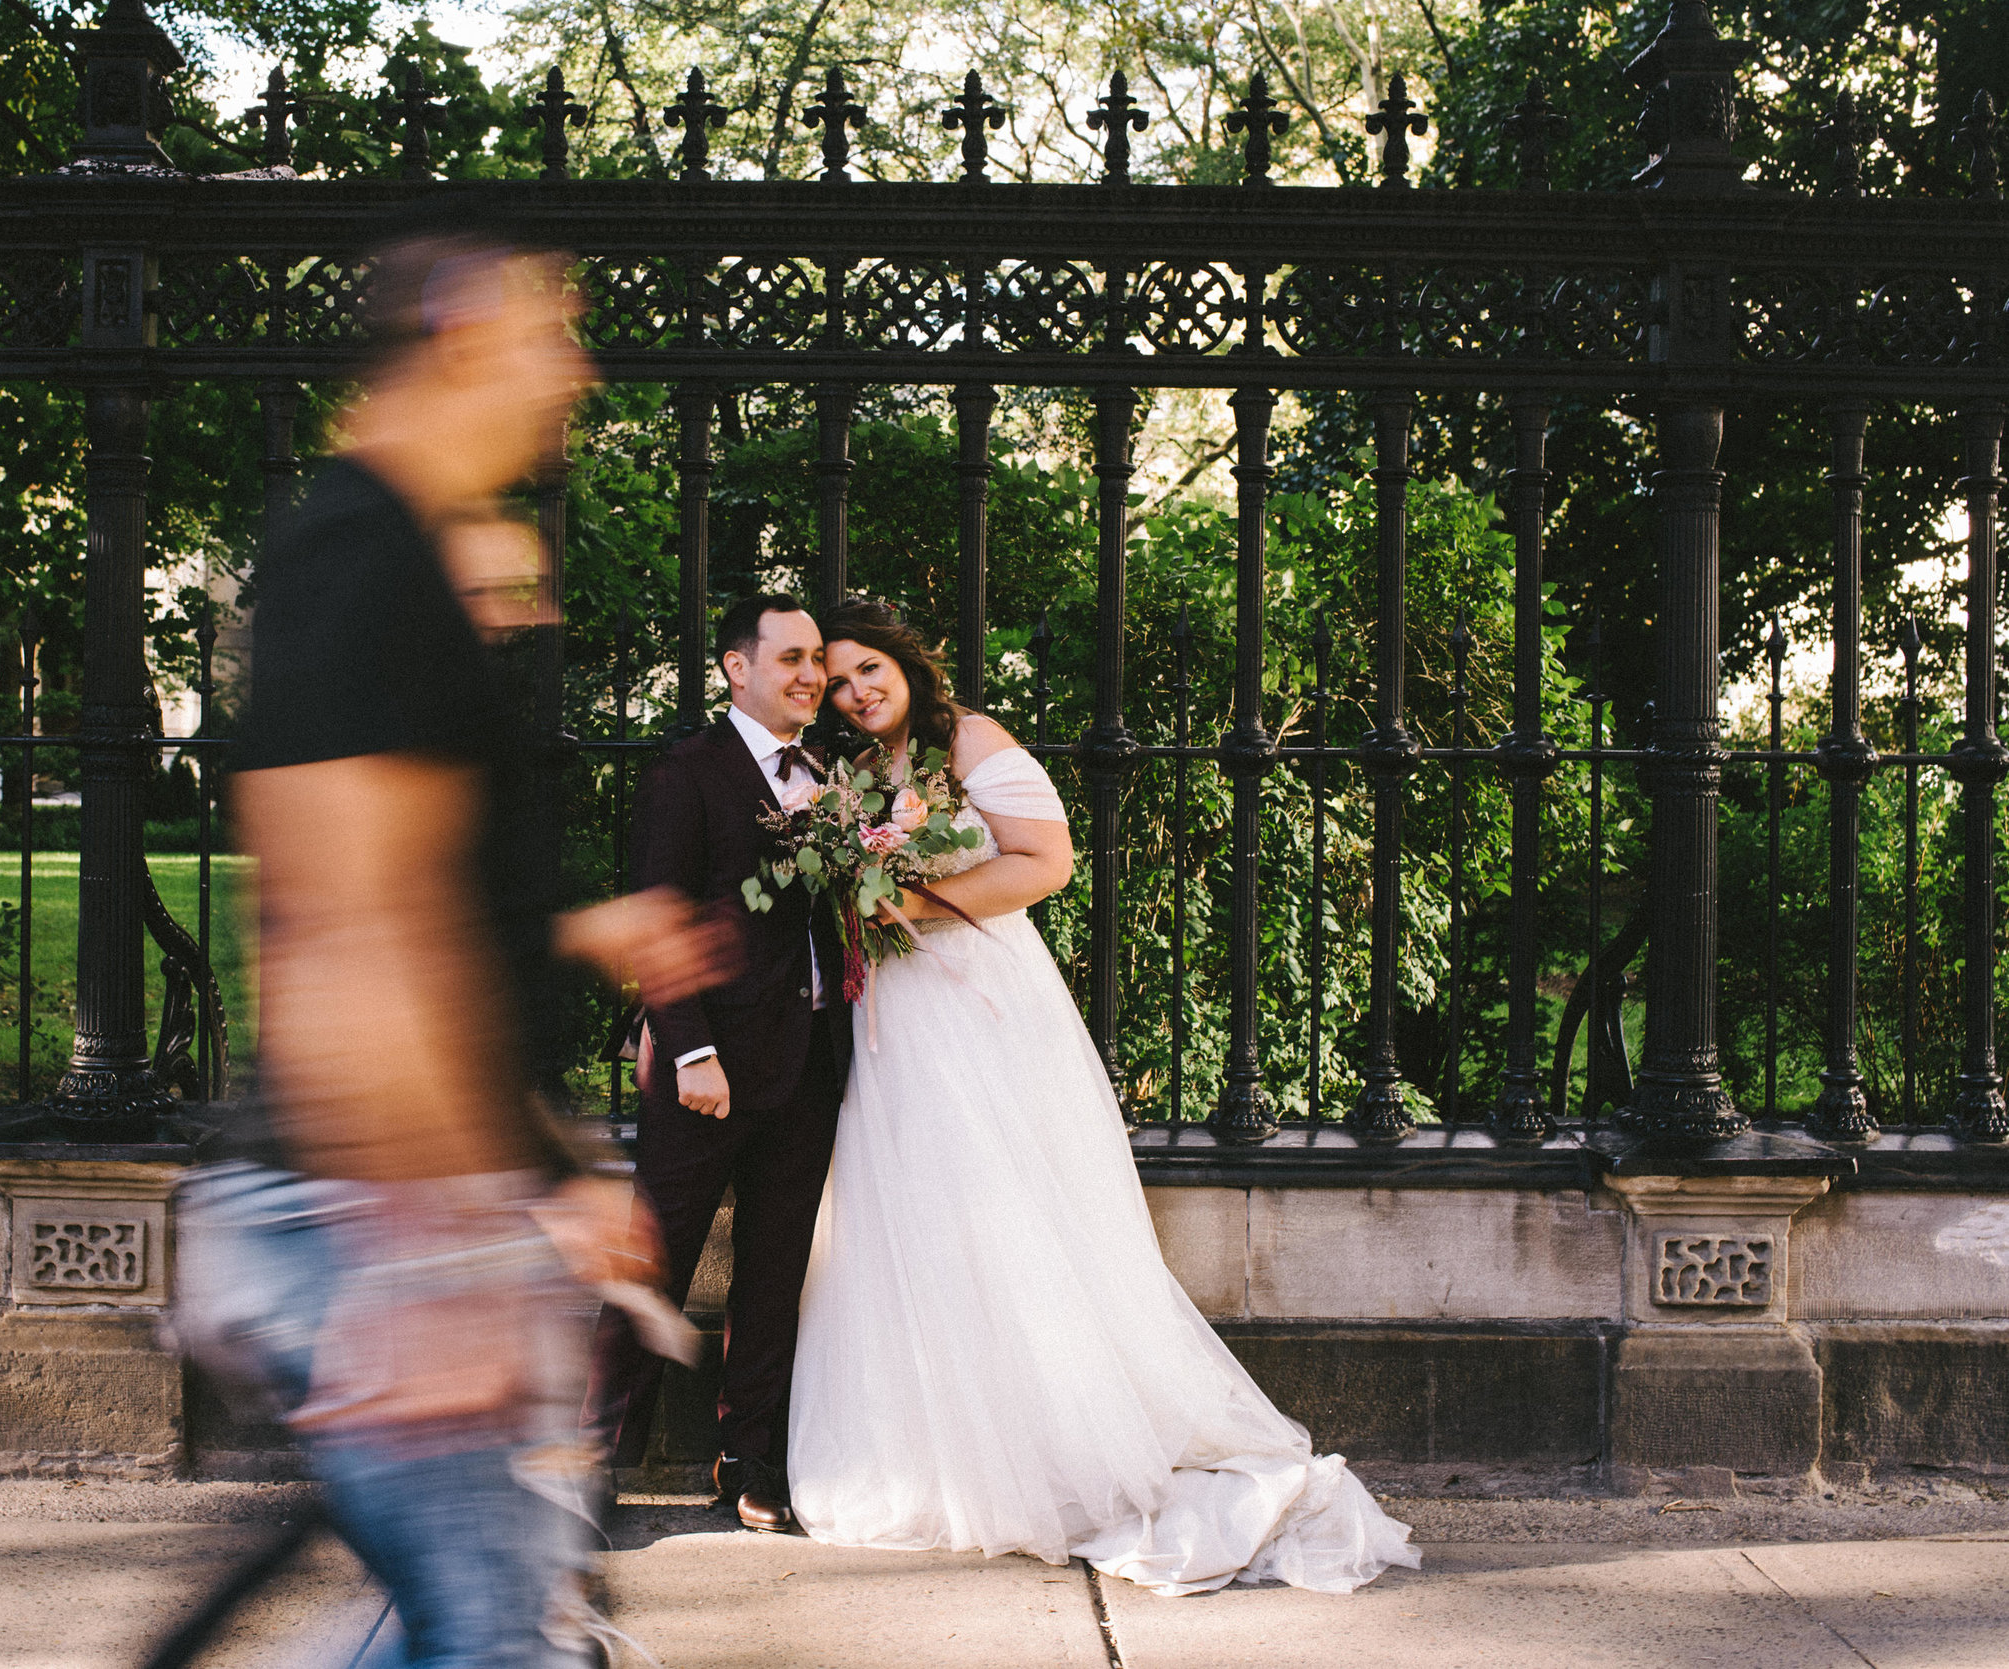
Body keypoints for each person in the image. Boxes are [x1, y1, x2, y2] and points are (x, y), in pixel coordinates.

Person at [183, 218, 730, 1669]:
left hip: (390, 1207)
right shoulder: (360, 553)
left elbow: (436, 924)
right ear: (464, 335)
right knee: (494, 1636)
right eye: (555, 332)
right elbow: (344, 940)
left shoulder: (397, 556)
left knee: (472, 1625)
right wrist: (428, 1260)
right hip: (364, 1220)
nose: (579, 372)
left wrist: (548, 1164)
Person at [785, 599, 1420, 1597]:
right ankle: (946, 1447)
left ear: (904, 663)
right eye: (838, 681)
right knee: (915, 1216)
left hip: (978, 999)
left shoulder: (973, 739)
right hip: (896, 1013)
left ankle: (1067, 1441)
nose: (856, 690)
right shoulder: (859, 772)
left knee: (1004, 1212)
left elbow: (1046, 862)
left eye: (870, 669)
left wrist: (903, 898)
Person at [588, 594, 852, 1534]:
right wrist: (692, 1048)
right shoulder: (688, 772)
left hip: (808, 1064)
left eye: (817, 658)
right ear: (738, 668)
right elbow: (656, 919)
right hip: (707, 1068)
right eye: (791, 658)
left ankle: (750, 1462)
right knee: (652, 1260)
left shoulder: (829, 773)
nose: (811, 674)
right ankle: (593, 1461)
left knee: (774, 1272)